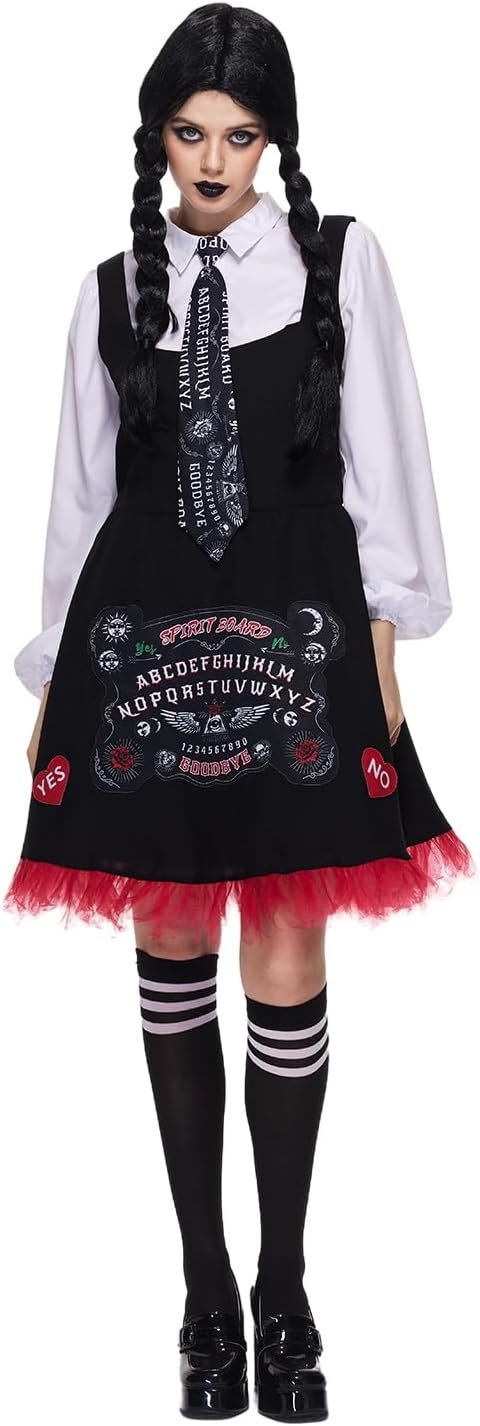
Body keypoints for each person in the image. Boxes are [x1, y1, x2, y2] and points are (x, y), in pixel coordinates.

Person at [3, 4, 477, 1420]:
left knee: (283, 936)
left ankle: (284, 1283)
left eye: (243, 135)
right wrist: (52, 676)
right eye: (191, 133)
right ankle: (203, 1287)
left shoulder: (340, 261)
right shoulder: (109, 291)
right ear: (157, 138)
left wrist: (388, 635)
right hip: (147, 642)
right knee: (167, 933)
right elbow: (81, 504)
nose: (214, 161)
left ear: (276, 143)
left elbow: (386, 449)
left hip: (297, 631)